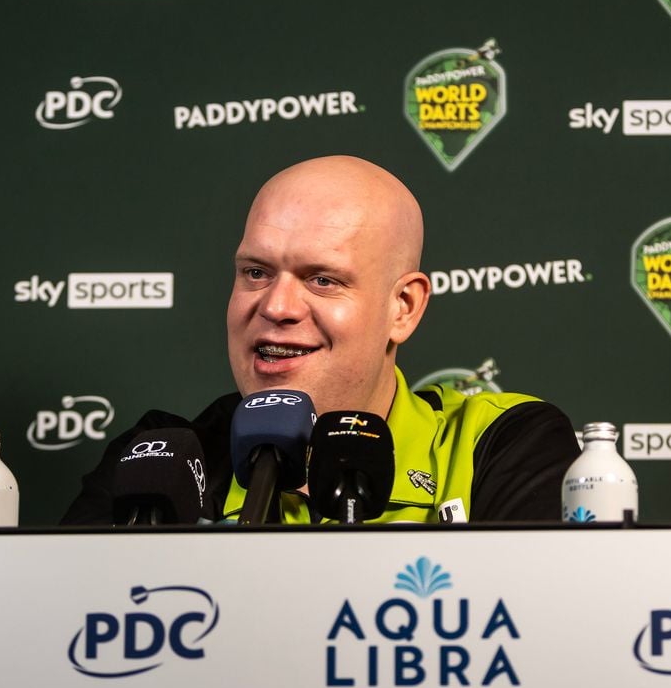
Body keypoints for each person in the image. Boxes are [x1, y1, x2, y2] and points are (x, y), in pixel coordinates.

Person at [62, 155, 579, 524]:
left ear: (403, 308)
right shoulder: (161, 459)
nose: (277, 306)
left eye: (323, 279)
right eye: (256, 272)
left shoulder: (500, 445)